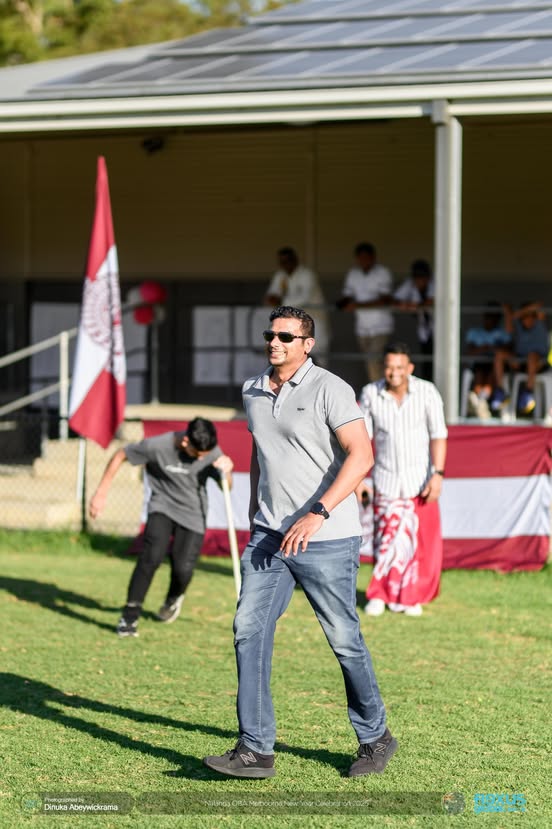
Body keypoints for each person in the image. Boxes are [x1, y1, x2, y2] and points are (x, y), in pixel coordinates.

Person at [203, 305, 397, 779]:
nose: (275, 342)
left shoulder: (331, 388)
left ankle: (376, 737)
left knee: (344, 641)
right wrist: (255, 512)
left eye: (287, 337)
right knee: (248, 630)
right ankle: (255, 749)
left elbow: (362, 455)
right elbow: (261, 453)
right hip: (269, 537)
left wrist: (318, 511)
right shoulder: (252, 389)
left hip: (327, 536)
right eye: (271, 334)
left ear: (307, 345)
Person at [89, 417, 234, 637]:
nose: (203, 458)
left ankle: (174, 597)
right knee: (151, 556)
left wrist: (228, 471)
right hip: (162, 506)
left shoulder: (210, 451)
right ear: (185, 442)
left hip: (193, 514)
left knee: (183, 568)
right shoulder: (156, 446)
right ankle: (129, 617)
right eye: (198, 454)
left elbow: (227, 488)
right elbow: (121, 455)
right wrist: (101, 492)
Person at [359, 342, 447, 618]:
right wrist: (359, 478)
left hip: (418, 482)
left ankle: (411, 596)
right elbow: (361, 439)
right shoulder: (371, 394)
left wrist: (438, 473)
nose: (393, 372)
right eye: (389, 367)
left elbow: (439, 435)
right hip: (384, 480)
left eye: (399, 367)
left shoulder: (427, 392)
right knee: (384, 541)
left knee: (414, 543)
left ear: (409, 368)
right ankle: (379, 594)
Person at [337, 242, 394, 382]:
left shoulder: (383, 272)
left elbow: (385, 299)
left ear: (373, 257)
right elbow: (348, 295)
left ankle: (378, 393)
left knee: (374, 360)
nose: (364, 261)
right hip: (362, 327)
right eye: (361, 258)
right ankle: (379, 389)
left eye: (366, 257)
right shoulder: (353, 274)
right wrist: (343, 303)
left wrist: (358, 305)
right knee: (370, 363)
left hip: (381, 326)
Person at [264, 246, 329, 366]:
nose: (285, 264)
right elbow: (271, 297)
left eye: (288, 260)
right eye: (282, 262)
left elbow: (303, 299)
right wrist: (276, 300)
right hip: (290, 326)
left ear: (295, 260)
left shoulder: (307, 275)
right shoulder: (280, 276)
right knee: (289, 358)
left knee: (316, 359)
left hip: (314, 322)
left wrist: (281, 301)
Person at [491, 301, 549, 416]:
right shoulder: (518, 324)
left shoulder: (540, 322)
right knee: (500, 354)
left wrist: (518, 313)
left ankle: (528, 393)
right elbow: (508, 330)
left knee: (532, 355)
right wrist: (509, 313)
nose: (526, 320)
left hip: (539, 363)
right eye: (524, 318)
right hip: (521, 362)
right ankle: (500, 391)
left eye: (529, 316)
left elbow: (539, 304)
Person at [464, 302, 511, 418]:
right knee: (479, 376)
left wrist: (492, 348)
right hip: (479, 363)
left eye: (493, 317)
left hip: (495, 366)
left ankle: (479, 401)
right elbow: (469, 351)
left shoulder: (502, 333)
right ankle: (481, 402)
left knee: (492, 376)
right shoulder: (475, 332)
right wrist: (482, 348)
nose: (490, 320)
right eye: (488, 316)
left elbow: (508, 349)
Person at [393, 259, 434, 380]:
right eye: (417, 277)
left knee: (439, 360)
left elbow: (433, 300)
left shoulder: (436, 282)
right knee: (427, 361)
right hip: (424, 330)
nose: (419, 281)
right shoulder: (410, 283)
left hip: (439, 329)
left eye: (422, 277)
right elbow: (395, 299)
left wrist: (417, 306)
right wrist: (405, 304)